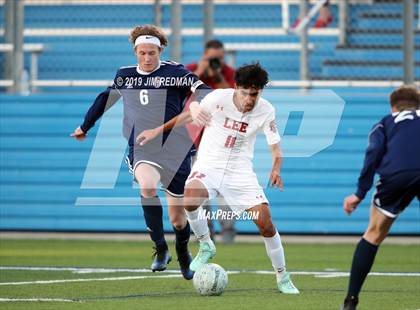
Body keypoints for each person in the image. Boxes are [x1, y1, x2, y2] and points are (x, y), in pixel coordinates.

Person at [70, 24, 210, 280]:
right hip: (143, 146)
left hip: (176, 149)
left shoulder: (175, 72)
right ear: (135, 51)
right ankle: (160, 248)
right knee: (147, 186)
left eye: (152, 53)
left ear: (160, 50)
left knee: (178, 220)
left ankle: (182, 249)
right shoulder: (124, 75)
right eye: (142, 53)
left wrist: (199, 102)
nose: (147, 58)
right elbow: (105, 99)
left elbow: (204, 90)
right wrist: (84, 126)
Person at [184, 63, 299, 294]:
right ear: (236, 87)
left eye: (254, 93)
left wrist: (276, 169)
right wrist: (195, 106)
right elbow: (194, 105)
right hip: (210, 164)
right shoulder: (219, 98)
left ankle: (282, 276)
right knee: (189, 199)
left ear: (261, 91)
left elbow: (276, 148)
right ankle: (205, 243)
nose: (249, 98)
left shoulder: (266, 110)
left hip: (240, 172)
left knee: (265, 223)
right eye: (244, 92)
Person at [340, 85, 420, 310]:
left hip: (397, 174)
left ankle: (351, 301)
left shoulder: (386, 122)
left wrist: (359, 193)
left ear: (392, 106)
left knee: (374, 233)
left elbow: (373, 153)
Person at [187, 39, 237, 243]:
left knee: (226, 190)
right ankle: (205, 232)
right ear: (205, 55)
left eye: (219, 58)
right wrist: (201, 69)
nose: (216, 61)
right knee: (200, 190)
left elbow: (234, 99)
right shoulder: (191, 70)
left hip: (224, 143)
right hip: (196, 142)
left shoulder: (229, 73)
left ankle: (228, 231)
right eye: (212, 58)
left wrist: (217, 75)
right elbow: (184, 93)